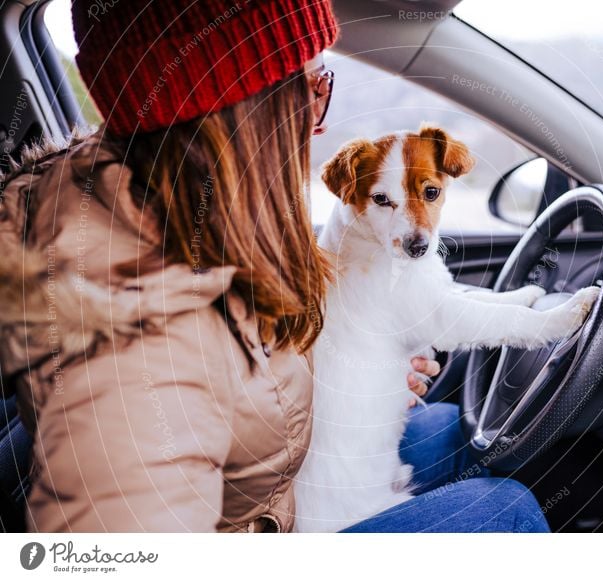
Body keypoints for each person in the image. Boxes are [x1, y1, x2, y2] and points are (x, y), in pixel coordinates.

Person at [0, 0, 548, 533]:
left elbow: (238, 363)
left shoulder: (201, 211)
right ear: (248, 107)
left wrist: (347, 376)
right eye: (315, 88)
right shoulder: (135, 321)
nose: (315, 121)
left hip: (273, 481)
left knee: (452, 428)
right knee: (508, 509)